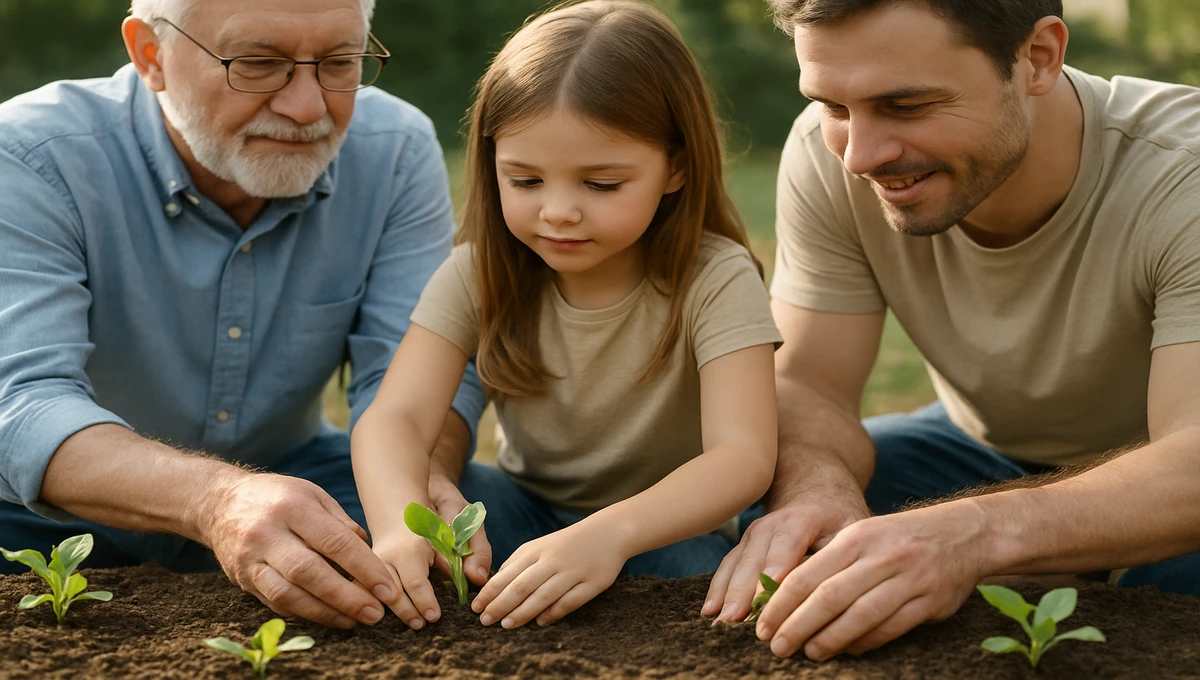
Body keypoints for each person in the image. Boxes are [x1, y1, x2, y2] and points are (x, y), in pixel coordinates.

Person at [703, 0, 1200, 661]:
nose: (860, 155)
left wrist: (976, 535)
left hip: (1163, 471)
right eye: (834, 106)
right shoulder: (825, 158)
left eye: (906, 105)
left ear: (1039, 58)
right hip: (981, 448)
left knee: (1167, 587)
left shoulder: (1181, 175)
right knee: (784, 524)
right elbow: (808, 384)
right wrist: (816, 492)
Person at [0, 0, 488, 631]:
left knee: (490, 513)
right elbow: (23, 405)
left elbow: (414, 378)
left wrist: (424, 476)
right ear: (152, 54)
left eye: (340, 62)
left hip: (296, 475)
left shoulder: (394, 149)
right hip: (39, 511)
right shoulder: (31, 156)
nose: (309, 108)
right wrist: (215, 498)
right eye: (259, 64)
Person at [351, 0, 782, 632]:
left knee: (694, 572)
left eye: (600, 185)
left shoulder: (715, 278)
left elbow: (742, 457)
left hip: (656, 529)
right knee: (385, 501)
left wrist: (609, 536)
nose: (557, 212)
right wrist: (397, 525)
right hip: (522, 509)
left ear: (677, 167)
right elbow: (396, 418)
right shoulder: (477, 272)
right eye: (525, 181)